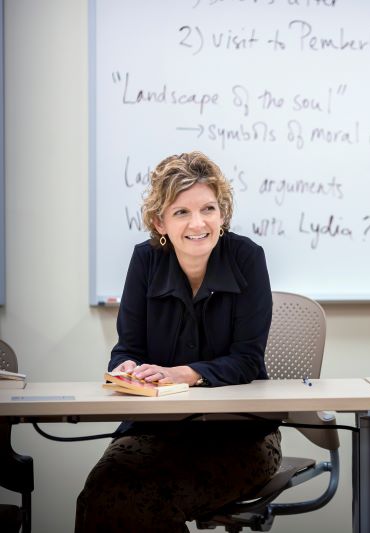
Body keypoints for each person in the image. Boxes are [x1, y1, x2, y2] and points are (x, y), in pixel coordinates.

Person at [75, 152, 282, 532]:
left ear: (223, 215)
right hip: (157, 432)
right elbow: (127, 348)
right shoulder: (145, 261)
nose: (198, 223)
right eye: (182, 212)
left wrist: (184, 374)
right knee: (100, 492)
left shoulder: (247, 257)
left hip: (241, 436)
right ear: (160, 221)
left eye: (208, 208)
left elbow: (247, 360)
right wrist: (125, 369)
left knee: (139, 498)